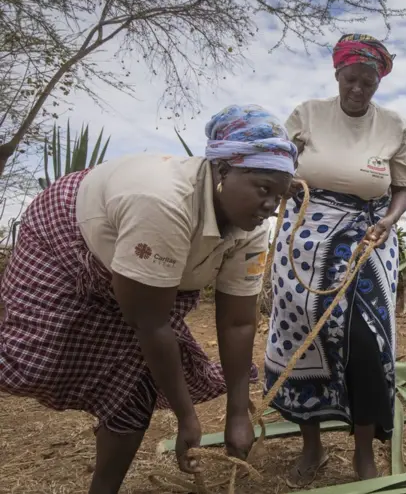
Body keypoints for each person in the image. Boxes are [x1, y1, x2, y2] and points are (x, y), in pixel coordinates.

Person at [0, 104, 298, 494]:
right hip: (69, 237)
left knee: (137, 381)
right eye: (263, 188)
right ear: (223, 170)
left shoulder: (251, 226)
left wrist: (237, 414)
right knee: (29, 360)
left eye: (280, 195)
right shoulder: (161, 201)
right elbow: (151, 323)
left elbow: (237, 322)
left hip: (148, 277)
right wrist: (187, 417)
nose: (271, 206)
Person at [264, 33, 406, 482]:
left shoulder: (394, 126)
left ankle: (363, 451)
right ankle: (312, 448)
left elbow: (403, 187)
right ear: (338, 74)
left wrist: (389, 219)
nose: (358, 89)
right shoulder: (307, 114)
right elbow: (276, 163)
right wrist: (284, 182)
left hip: (370, 237)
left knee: (369, 342)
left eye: (368, 83)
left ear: (378, 83)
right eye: (351, 79)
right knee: (302, 335)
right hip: (304, 241)